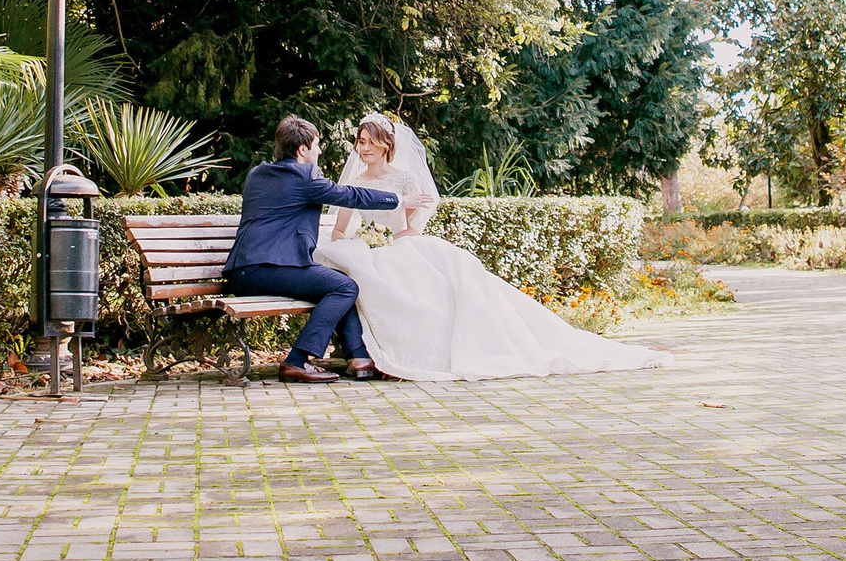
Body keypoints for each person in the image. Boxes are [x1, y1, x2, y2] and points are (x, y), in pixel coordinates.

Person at [315, 113, 670, 381]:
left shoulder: (406, 180)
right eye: (360, 142)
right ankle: (369, 353)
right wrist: (363, 242)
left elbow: (412, 229)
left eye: (369, 142)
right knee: (360, 267)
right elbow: (341, 231)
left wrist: (389, 237)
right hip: (375, 251)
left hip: (405, 246)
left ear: (386, 145)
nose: (363, 149)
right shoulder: (355, 183)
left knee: (434, 277)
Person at [226, 114, 404, 384]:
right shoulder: (306, 176)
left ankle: (359, 358)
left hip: (241, 272)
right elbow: (350, 194)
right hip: (270, 270)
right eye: (316, 145)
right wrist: (398, 198)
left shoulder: (258, 173)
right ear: (301, 150)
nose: (320, 151)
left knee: (337, 284)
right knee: (344, 287)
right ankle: (295, 362)